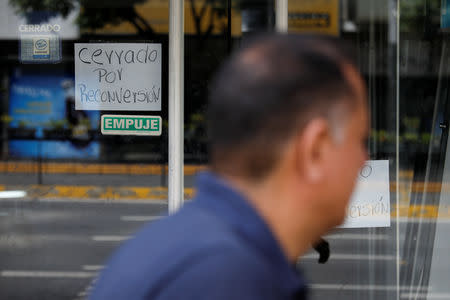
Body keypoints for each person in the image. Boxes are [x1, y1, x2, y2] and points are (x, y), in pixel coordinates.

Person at [89, 33, 369, 300]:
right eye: (359, 140)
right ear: (314, 150)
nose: (364, 161)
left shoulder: (196, 248)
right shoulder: (225, 277)